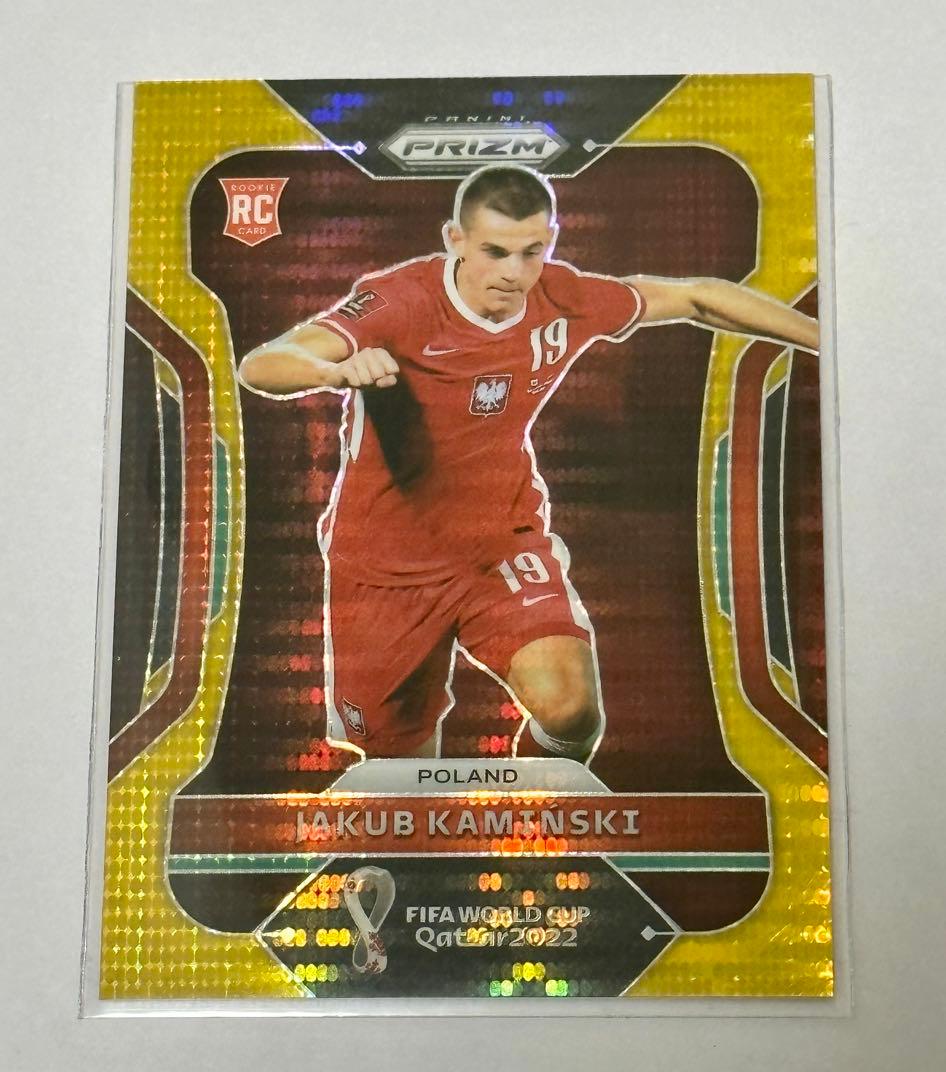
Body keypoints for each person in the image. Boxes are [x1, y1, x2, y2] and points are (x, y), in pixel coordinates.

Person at [239, 164, 818, 763]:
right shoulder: (401, 300)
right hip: (385, 563)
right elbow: (264, 363)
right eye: (495, 252)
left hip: (500, 544)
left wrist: (828, 339)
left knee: (572, 708)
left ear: (551, 241)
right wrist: (335, 371)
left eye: (531, 252)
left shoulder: (563, 298)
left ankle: (535, 811)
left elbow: (699, 296)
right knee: (398, 762)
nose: (513, 273)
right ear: (456, 240)